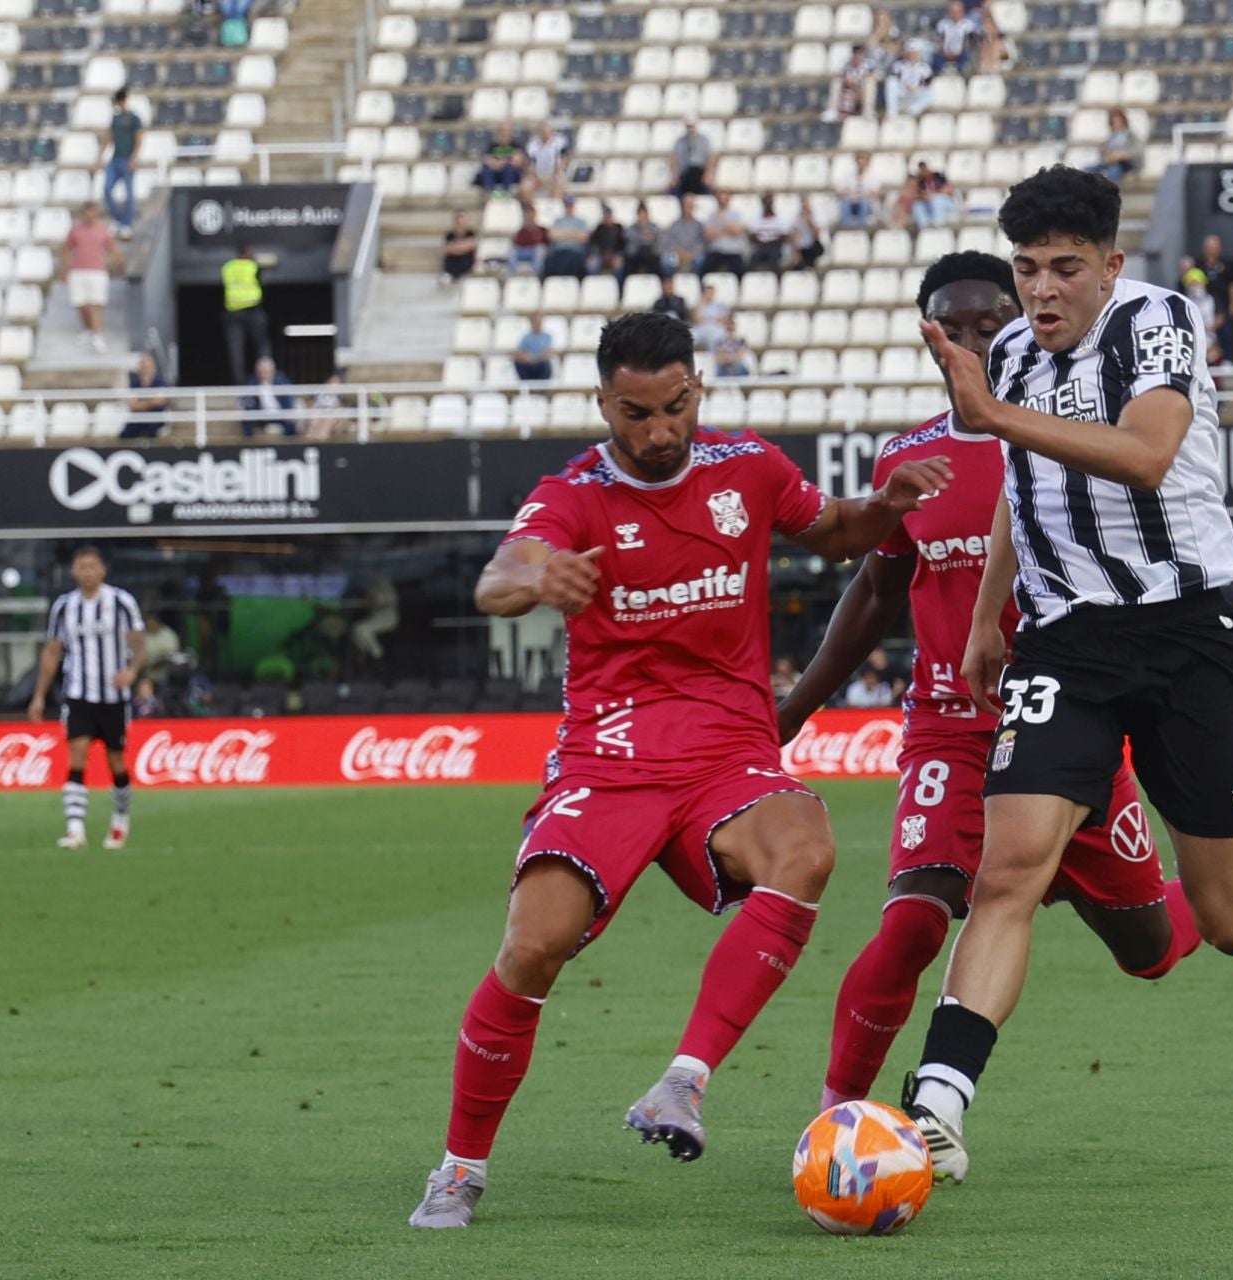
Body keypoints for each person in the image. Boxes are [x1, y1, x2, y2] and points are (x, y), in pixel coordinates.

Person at [404, 309, 954, 1228]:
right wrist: (536, 583)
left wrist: (886, 507)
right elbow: (499, 576)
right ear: (602, 404)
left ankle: (682, 1083)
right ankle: (459, 1168)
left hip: (728, 754)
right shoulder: (571, 494)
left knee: (807, 850)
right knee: (532, 948)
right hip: (609, 761)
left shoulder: (749, 468)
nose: (658, 433)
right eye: (634, 414)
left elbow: (832, 533)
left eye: (674, 406)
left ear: (696, 386)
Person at [898, 167, 1233, 1183]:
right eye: (1027, 267)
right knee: (1007, 872)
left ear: (1110, 268)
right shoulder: (1009, 352)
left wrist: (992, 416)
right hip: (1067, 644)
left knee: (1226, 916)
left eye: (1064, 268)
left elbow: (1144, 452)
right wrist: (995, 613)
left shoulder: (1159, 320)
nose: (1041, 289)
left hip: (1187, 634)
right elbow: (1021, 485)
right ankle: (937, 1107)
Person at [779, 251, 1233, 1113]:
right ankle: (839, 1119)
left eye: (988, 325)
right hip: (952, 732)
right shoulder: (909, 460)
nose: (970, 343)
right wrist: (791, 711)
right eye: (949, 331)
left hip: (1069, 719)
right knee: (916, 920)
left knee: (1148, 948)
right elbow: (876, 591)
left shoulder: (1069, 444)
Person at [27, 545, 146, 851]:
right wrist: (39, 695)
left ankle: (120, 818)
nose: (87, 572)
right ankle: (75, 829)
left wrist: (132, 671)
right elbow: (53, 651)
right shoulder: (65, 607)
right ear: (73, 571)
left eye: (93, 566)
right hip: (79, 693)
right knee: (77, 753)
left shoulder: (121, 602)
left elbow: (139, 643)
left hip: (113, 696)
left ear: (103, 570)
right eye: (82, 567)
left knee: (116, 761)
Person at [62, 203, 117, 352]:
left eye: (93, 213)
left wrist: (118, 263)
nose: (90, 216)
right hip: (78, 271)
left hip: (97, 271)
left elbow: (112, 248)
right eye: (88, 213)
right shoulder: (75, 230)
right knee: (81, 304)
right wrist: (64, 269)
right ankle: (89, 330)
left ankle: (97, 335)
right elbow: (67, 248)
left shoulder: (103, 229)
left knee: (95, 304)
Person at [221, 243, 270, 387]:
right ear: (247, 253)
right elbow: (261, 280)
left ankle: (239, 383)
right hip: (252, 309)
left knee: (236, 350)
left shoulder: (228, 267)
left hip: (233, 311)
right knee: (262, 344)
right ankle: (266, 379)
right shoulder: (252, 265)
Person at [103, 90, 142, 239]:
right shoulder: (115, 119)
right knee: (107, 190)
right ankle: (118, 219)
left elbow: (139, 139)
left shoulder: (134, 118)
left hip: (127, 160)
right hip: (114, 159)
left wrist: (134, 158)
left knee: (129, 195)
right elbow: (109, 137)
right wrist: (101, 156)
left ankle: (126, 224)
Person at [240, 358, 296, 436]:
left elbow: (289, 396)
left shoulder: (280, 379)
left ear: (273, 370)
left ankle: (291, 444)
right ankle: (249, 443)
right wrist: (242, 403)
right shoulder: (253, 380)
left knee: (291, 425)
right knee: (248, 417)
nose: (264, 373)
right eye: (261, 371)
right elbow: (244, 397)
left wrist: (288, 411)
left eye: (266, 371)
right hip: (261, 416)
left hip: (280, 414)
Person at [1087, 109, 1143, 186]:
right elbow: (1103, 151)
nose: (1117, 124)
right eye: (1114, 122)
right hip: (1110, 162)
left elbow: (1138, 151)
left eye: (1119, 121)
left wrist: (1124, 155)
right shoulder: (1111, 137)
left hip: (1125, 164)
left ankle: (1109, 194)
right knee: (1087, 169)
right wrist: (1104, 151)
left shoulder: (1131, 135)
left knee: (1113, 171)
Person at [120, 351, 168, 438]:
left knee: (151, 432)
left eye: (147, 367)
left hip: (155, 419)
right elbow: (133, 405)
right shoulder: (135, 383)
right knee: (124, 435)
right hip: (137, 419)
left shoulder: (159, 382)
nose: (145, 369)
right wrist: (150, 402)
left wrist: (141, 404)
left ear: (153, 367)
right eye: (143, 366)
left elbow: (160, 401)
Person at [702, 193, 749, 278]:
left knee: (740, 270)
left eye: (724, 199)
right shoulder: (711, 215)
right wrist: (727, 230)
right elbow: (709, 234)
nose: (722, 201)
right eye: (720, 199)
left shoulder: (736, 214)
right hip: (717, 250)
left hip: (733, 250)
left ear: (728, 200)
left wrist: (722, 223)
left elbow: (737, 232)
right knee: (705, 268)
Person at [826, 45, 877, 122]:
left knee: (869, 84)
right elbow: (838, 76)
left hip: (861, 94)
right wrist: (847, 81)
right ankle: (832, 110)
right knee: (836, 83)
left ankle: (868, 111)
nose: (858, 56)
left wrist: (858, 81)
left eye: (860, 54)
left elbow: (873, 76)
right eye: (856, 53)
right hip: (848, 93)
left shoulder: (868, 65)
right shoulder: (846, 65)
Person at [544, 195, 590, 278]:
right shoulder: (558, 220)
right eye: (567, 205)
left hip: (575, 252)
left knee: (575, 262)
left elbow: (584, 238)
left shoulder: (581, 221)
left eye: (570, 205)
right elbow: (553, 236)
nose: (569, 207)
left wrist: (563, 233)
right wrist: (574, 233)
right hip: (560, 252)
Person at [660, 195, 706, 276]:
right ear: (682, 207)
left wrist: (691, 253)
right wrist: (679, 252)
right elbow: (670, 242)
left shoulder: (698, 225)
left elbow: (701, 243)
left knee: (701, 260)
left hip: (693, 254)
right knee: (666, 262)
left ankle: (698, 281)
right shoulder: (675, 225)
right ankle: (669, 283)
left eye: (690, 206)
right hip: (677, 254)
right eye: (686, 206)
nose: (688, 209)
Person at [474, 122, 523, 197]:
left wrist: (502, 162)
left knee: (509, 168)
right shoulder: (492, 146)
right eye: (502, 131)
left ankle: (505, 194)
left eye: (507, 131)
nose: (505, 134)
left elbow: (517, 161)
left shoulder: (516, 146)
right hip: (494, 173)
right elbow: (486, 159)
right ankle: (490, 193)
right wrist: (498, 164)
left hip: (510, 175)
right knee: (486, 168)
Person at [669, 118, 716, 197]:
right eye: (688, 126)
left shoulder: (704, 140)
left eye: (692, 126)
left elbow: (710, 158)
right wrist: (674, 176)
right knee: (673, 192)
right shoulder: (679, 141)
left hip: (699, 174)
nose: (690, 129)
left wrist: (708, 174)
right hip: (685, 175)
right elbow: (674, 159)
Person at [522, 121, 567, 203]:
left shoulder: (559, 142)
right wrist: (538, 179)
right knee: (526, 187)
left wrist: (554, 176)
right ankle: (530, 211)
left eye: (547, 132)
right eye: (542, 132)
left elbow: (562, 161)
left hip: (554, 174)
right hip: (537, 176)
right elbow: (531, 165)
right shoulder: (533, 144)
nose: (545, 134)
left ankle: (554, 208)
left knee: (558, 183)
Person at [885, 43, 934, 116]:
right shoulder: (898, 65)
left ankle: (913, 110)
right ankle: (892, 110)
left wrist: (916, 87)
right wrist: (905, 86)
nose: (913, 55)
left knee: (931, 92)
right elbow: (895, 79)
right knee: (890, 82)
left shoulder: (925, 67)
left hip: (916, 91)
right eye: (911, 53)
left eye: (915, 53)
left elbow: (927, 83)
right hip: (903, 90)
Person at [836, 153, 883, 229]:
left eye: (863, 161)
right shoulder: (848, 175)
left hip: (867, 205)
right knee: (844, 202)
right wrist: (848, 192)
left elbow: (875, 193)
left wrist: (863, 194)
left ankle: (861, 229)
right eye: (859, 161)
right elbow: (839, 191)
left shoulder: (874, 176)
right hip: (851, 202)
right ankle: (846, 228)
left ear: (867, 162)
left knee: (864, 202)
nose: (861, 164)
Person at [748, 195, 792, 275]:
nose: (768, 204)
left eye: (770, 202)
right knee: (753, 259)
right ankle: (751, 280)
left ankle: (777, 281)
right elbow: (752, 236)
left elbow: (784, 237)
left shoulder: (780, 218)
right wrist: (763, 243)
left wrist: (768, 242)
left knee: (774, 260)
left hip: (775, 247)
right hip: (760, 247)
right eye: (766, 202)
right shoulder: (756, 218)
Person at [935, 0, 979, 74]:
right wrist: (945, 53)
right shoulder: (943, 24)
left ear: (962, 12)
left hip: (962, 53)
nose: (954, 14)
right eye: (952, 12)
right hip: (945, 54)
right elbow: (940, 41)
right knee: (935, 58)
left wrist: (958, 53)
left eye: (956, 12)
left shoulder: (969, 25)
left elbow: (969, 44)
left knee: (967, 57)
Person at [622, 201, 663, 278]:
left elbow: (657, 239)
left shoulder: (654, 227)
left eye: (644, 214)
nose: (642, 216)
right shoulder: (632, 227)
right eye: (641, 214)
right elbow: (630, 238)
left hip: (650, 254)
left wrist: (642, 238)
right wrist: (643, 237)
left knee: (654, 261)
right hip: (636, 254)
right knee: (628, 263)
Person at [910, 162, 957, 229]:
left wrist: (934, 194)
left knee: (936, 199)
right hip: (930, 205)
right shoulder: (920, 182)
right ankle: (925, 226)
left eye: (924, 168)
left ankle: (938, 225)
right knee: (917, 205)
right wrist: (924, 196)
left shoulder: (939, 176)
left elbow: (950, 190)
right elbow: (915, 195)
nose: (924, 171)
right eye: (921, 169)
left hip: (945, 204)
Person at [507, 201, 548, 276]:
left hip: (534, 251)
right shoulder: (522, 230)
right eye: (528, 214)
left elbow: (545, 242)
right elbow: (517, 243)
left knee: (540, 249)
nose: (530, 216)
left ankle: (534, 273)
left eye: (532, 213)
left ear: (535, 214)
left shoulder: (542, 229)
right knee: (512, 251)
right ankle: (512, 273)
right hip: (523, 251)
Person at [513, 311, 555, 381]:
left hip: (541, 365)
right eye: (535, 321)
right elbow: (518, 352)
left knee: (545, 364)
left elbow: (549, 352)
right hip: (529, 365)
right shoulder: (526, 337)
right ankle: (527, 386)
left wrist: (536, 358)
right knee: (518, 362)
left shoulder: (547, 336)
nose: (537, 323)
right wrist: (527, 357)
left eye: (539, 321)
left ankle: (542, 389)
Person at [587, 205, 627, 278]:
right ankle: (594, 284)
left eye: (609, 215)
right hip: (601, 254)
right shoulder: (599, 228)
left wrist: (615, 254)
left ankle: (618, 286)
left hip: (615, 254)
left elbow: (623, 243)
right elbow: (593, 243)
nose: (608, 217)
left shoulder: (618, 227)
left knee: (619, 265)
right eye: (606, 215)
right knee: (592, 266)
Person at [441, 211, 478, 285]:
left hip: (466, 258)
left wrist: (457, 247)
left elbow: (471, 246)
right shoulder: (450, 234)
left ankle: (453, 277)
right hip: (453, 258)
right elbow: (447, 249)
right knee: (450, 260)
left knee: (464, 259)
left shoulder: (470, 233)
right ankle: (450, 276)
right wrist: (462, 247)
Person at [307, 373, 347, 440]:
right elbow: (311, 402)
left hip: (330, 414)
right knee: (314, 418)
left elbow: (340, 407)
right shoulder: (319, 393)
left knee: (328, 420)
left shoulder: (338, 397)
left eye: (336, 385)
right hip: (319, 411)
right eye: (332, 384)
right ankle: (310, 439)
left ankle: (321, 438)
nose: (334, 387)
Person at [790, 196, 825, 272]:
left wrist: (809, 221)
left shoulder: (816, 216)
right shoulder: (797, 218)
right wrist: (797, 253)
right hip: (803, 248)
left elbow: (817, 234)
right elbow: (795, 236)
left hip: (814, 246)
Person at [691, 282, 729, 350]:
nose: (709, 295)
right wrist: (701, 303)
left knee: (715, 338)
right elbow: (695, 320)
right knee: (688, 337)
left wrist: (705, 319)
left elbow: (724, 320)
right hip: (701, 328)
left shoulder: (719, 305)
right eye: (707, 293)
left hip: (715, 328)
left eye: (711, 293)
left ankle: (712, 359)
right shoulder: (699, 304)